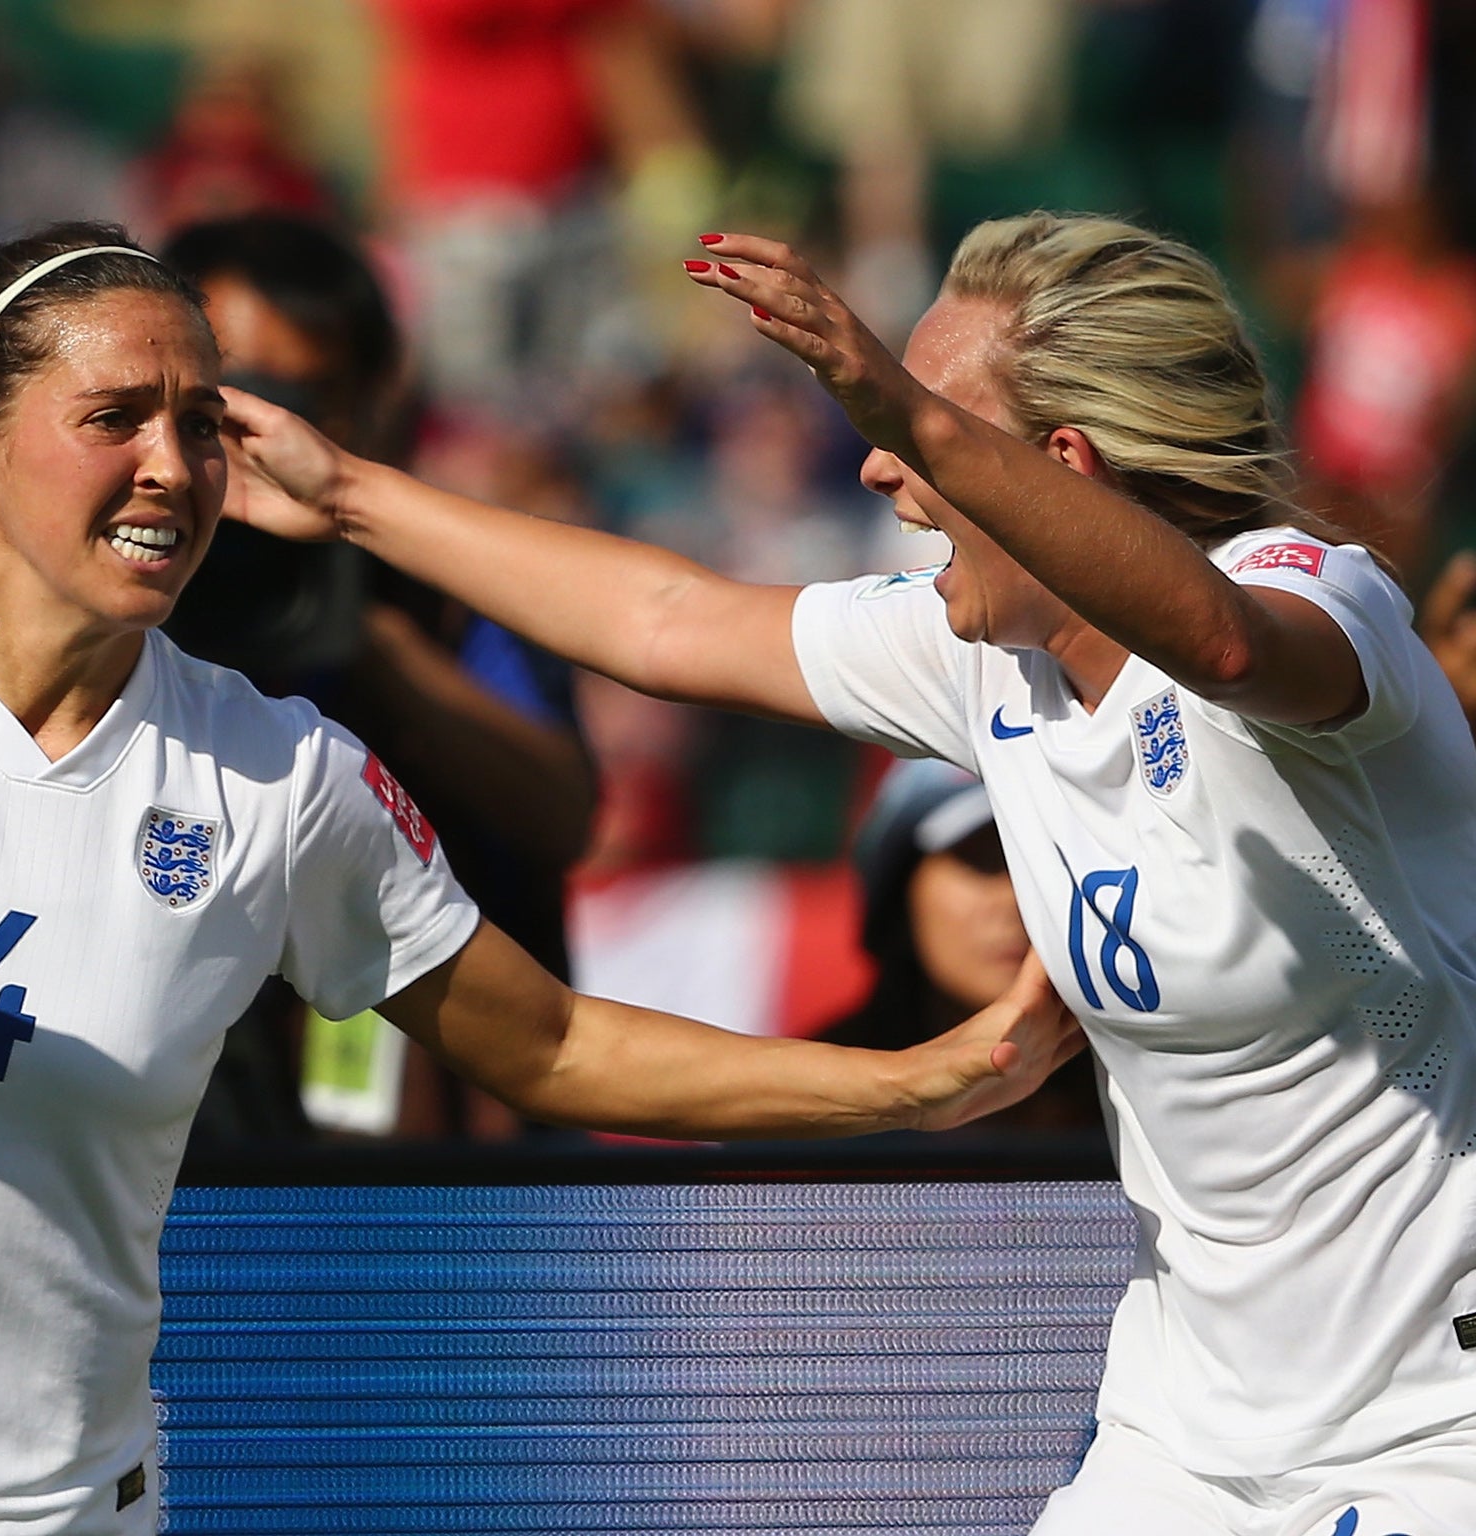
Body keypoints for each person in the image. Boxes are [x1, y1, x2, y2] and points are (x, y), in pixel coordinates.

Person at [0, 221, 1078, 1536]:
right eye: (112, 420)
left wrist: (906, 1084)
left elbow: (557, 1046)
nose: (170, 466)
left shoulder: (278, 773)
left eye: (199, 426)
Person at [222, 213, 1476, 1534]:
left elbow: (1221, 646)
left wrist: (906, 406)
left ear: (1057, 467)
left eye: (920, 422)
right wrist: (348, 497)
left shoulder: (1326, 612)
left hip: (1425, 1437)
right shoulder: (997, 659)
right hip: (1189, 1431)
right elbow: (669, 622)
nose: (879, 463)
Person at [164, 212, 596, 1140]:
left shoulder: (440, 583)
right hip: (185, 1132)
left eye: (304, 396)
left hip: (441, 1152)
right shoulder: (123, 583)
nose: (258, 433)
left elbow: (560, 814)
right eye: (229, 398)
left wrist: (370, 639)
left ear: (368, 402)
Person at [835, 757, 1102, 1134]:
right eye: (982, 861)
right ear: (899, 894)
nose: (1017, 900)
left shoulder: (1169, 1090)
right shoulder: (804, 1115)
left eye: (1050, 862)